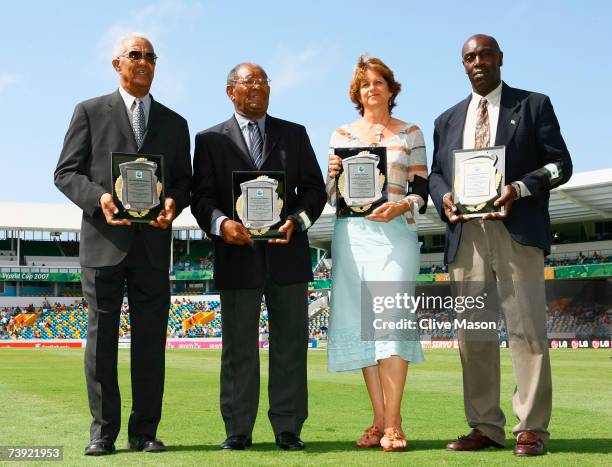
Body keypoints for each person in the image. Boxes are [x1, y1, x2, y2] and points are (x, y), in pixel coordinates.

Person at [429, 34, 572, 456]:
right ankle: (486, 426)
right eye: (470, 57)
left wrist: (520, 188)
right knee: (473, 334)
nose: (478, 62)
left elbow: (560, 164)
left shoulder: (533, 105)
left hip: (517, 231)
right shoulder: (447, 119)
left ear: (500, 59)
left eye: (485, 54)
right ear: (463, 64)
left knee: (527, 331)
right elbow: (437, 174)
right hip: (466, 237)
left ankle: (530, 429)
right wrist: (444, 198)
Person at [54, 32, 191, 456]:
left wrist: (173, 202)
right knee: (101, 343)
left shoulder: (174, 122)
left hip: (152, 246)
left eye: (151, 56)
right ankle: (103, 433)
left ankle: (145, 431)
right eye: (135, 55)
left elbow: (185, 182)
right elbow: (65, 172)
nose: (144, 61)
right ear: (117, 64)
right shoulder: (90, 112)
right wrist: (100, 198)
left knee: (151, 345)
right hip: (104, 243)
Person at [191, 62, 326, 451]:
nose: (257, 87)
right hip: (236, 256)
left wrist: (297, 221)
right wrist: (220, 225)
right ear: (230, 90)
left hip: (287, 255)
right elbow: (201, 197)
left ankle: (288, 428)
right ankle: (238, 429)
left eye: (263, 81)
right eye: (248, 82)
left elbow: (315, 190)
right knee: (238, 350)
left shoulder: (294, 134)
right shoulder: (209, 139)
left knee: (290, 347)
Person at [326, 55, 428, 452]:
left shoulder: (410, 133)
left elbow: (422, 188)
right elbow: (334, 198)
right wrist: (331, 176)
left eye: (379, 82)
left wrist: (403, 206)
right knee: (362, 327)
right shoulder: (341, 134)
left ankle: (395, 420)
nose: (372, 88)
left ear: (390, 88)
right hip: (351, 235)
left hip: (395, 234)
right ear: (358, 92)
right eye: (365, 83)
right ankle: (379, 419)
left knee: (391, 323)